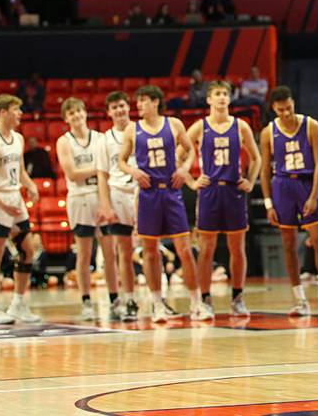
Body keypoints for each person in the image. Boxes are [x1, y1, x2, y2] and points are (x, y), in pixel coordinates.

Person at [118, 85, 212, 321]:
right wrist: (133, 171)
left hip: (171, 192)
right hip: (148, 195)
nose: (138, 105)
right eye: (137, 101)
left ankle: (196, 303)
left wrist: (184, 168)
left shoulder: (174, 124)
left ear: (155, 102)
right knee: (150, 253)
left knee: (185, 250)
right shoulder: (132, 129)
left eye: (142, 101)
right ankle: (157, 303)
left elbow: (190, 150)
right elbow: (121, 160)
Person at [259, 86, 318, 316]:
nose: (286, 113)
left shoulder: (311, 125)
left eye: (289, 108)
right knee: (288, 244)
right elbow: (265, 170)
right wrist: (268, 203)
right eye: (280, 110)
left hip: (308, 183)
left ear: (293, 103)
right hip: (283, 185)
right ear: (273, 109)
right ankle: (300, 301)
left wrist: (313, 195)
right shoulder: (268, 132)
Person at [186, 80, 260, 317]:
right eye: (217, 94)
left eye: (225, 94)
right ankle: (205, 298)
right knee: (206, 248)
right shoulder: (199, 127)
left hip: (233, 190)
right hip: (209, 192)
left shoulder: (241, 126)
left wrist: (250, 180)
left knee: (237, 248)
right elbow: (179, 156)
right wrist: (190, 181)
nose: (221, 98)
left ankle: (237, 297)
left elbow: (256, 158)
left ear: (229, 99)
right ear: (208, 99)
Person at [56, 98, 119, 321]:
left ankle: (115, 300)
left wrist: (97, 171)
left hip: (102, 196)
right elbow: (72, 174)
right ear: (66, 118)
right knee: (84, 255)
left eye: (79, 111)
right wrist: (99, 169)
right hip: (80, 198)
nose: (77, 116)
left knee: (110, 253)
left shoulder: (100, 138)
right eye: (72, 113)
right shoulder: (64, 142)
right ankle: (86, 302)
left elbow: (111, 169)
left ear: (85, 113)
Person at [0, 95, 41, 325]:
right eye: (16, 110)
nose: (20, 114)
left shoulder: (18, 138)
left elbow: (18, 170)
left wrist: (30, 185)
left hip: (15, 199)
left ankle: (18, 303)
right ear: (3, 112)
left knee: (27, 250)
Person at [96, 92, 139, 322]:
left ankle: (158, 299)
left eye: (122, 105)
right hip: (119, 195)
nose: (119, 110)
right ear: (109, 112)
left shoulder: (141, 131)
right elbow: (102, 175)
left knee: (151, 249)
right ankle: (127, 299)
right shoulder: (104, 140)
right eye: (114, 107)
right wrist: (105, 205)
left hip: (144, 194)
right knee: (124, 252)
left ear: (128, 106)